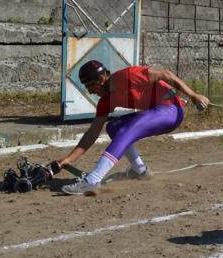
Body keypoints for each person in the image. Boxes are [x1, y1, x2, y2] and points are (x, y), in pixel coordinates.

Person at [56, 60, 209, 195]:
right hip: (157, 112)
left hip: (171, 111)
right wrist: (69, 159)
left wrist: (193, 95)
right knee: (113, 127)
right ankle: (140, 170)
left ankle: (93, 179)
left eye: (90, 86)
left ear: (101, 79)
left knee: (125, 130)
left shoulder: (124, 77)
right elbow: (92, 132)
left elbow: (165, 74)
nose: (90, 91)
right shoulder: (105, 101)